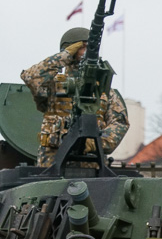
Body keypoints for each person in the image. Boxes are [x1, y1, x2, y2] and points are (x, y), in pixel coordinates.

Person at [20, 27, 129, 167]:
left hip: (91, 163)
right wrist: (65, 56)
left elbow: (120, 123)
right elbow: (31, 77)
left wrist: (95, 143)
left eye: (90, 48)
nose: (87, 52)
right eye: (82, 47)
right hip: (53, 163)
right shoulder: (52, 85)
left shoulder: (103, 90)